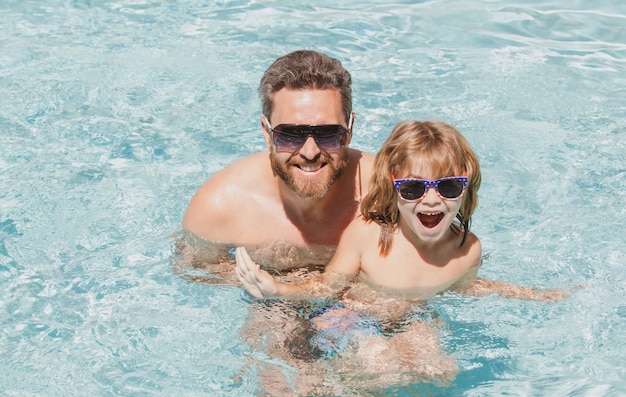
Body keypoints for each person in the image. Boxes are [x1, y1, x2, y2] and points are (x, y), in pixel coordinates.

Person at [236, 120, 572, 388]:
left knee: (441, 369)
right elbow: (327, 287)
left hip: (410, 318)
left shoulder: (466, 250)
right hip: (352, 317)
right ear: (392, 188)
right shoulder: (368, 236)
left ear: (466, 188)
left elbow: (466, 287)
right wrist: (277, 291)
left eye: (448, 186)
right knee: (379, 366)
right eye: (412, 188)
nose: (431, 200)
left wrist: (530, 295)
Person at [180, 50, 375, 276]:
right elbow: (193, 271)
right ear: (267, 132)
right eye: (291, 135)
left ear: (349, 130)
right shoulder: (220, 206)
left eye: (328, 134)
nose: (310, 152)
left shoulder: (393, 194)